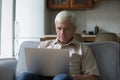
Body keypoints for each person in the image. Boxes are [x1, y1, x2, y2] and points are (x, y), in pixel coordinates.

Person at [18, 10, 100, 80]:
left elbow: (93, 77)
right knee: (25, 76)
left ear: (74, 29)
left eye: (67, 29)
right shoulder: (44, 45)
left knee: (62, 78)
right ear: (55, 27)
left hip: (65, 79)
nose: (62, 33)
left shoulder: (83, 49)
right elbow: (32, 70)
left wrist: (75, 77)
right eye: (59, 28)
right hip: (41, 78)